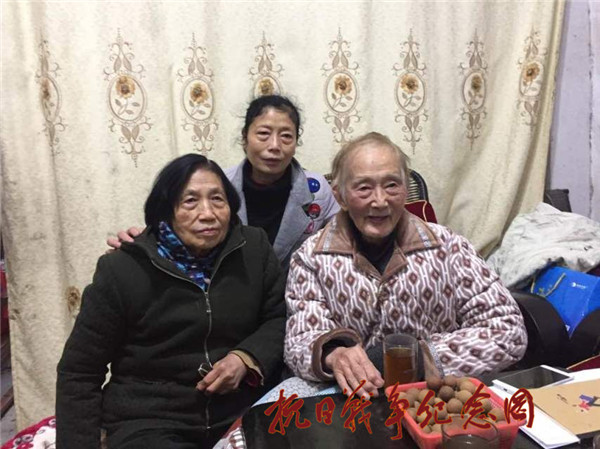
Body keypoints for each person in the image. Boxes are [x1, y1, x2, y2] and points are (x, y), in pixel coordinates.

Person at [57, 154, 286, 448]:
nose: (208, 213)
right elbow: (80, 371)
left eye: (217, 199)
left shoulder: (253, 248)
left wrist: (246, 358)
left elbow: (279, 317)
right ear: (165, 211)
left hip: (240, 410)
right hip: (150, 421)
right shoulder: (122, 269)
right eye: (190, 201)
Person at [284, 132, 528, 400]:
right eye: (363, 188)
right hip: (349, 397)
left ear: (405, 189)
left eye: (392, 185)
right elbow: (298, 341)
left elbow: (508, 331)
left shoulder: (448, 247)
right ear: (340, 196)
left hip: (436, 398)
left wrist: (420, 357)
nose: (380, 201)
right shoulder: (311, 257)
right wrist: (333, 354)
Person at [108, 95, 339, 270]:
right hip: (233, 294)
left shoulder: (317, 189)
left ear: (296, 142)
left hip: (300, 297)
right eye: (263, 134)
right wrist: (142, 242)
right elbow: (178, 232)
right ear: (245, 138)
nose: (274, 146)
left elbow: (342, 236)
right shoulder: (217, 186)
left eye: (286, 136)